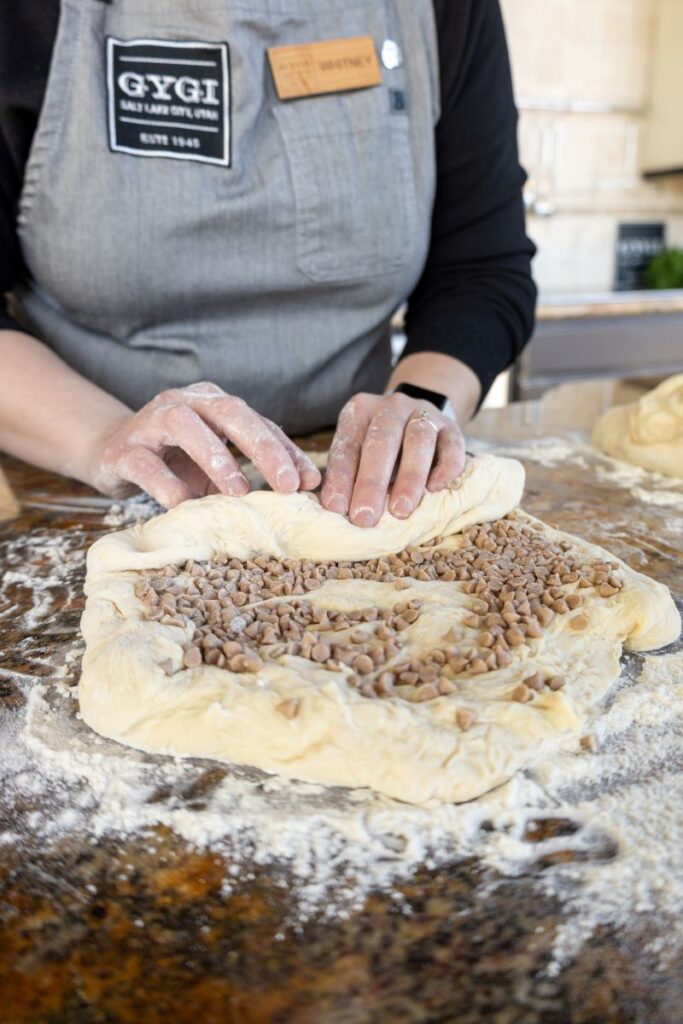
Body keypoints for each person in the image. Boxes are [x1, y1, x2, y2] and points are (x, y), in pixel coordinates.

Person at [0, 0, 536, 528]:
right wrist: (103, 437)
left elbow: (479, 270)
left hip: (354, 486)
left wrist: (420, 405)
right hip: (74, 480)